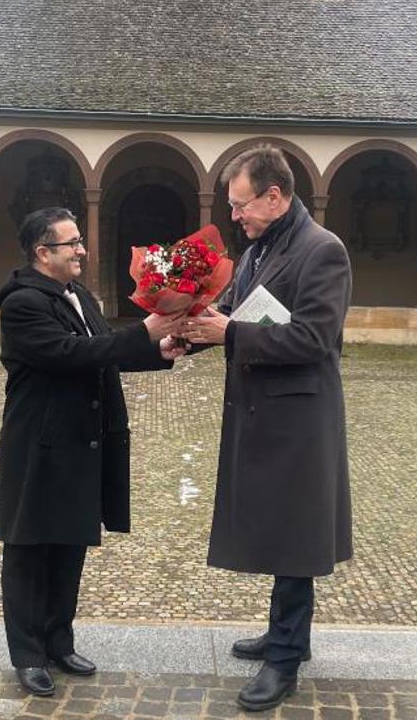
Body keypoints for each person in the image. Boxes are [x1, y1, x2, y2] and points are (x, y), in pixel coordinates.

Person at [181, 145, 353, 712]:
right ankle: (285, 634)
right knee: (278, 529)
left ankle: (284, 659)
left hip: (300, 419)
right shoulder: (257, 249)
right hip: (261, 411)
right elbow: (229, 312)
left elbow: (313, 339)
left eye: (241, 205)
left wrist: (226, 333)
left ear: (275, 197)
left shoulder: (322, 252)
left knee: (296, 536)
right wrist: (185, 333)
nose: (235, 216)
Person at [0, 206, 186, 697]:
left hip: (79, 442)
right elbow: (67, 354)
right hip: (38, 445)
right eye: (71, 243)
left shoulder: (78, 295)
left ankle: (59, 642)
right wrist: (144, 330)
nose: (82, 250)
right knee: (30, 550)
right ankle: (28, 654)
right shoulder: (22, 304)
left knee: (70, 545)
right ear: (42, 252)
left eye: (79, 241)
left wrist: (158, 352)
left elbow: (102, 350)